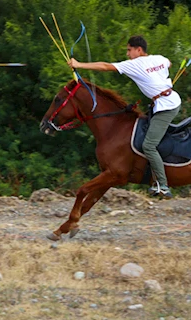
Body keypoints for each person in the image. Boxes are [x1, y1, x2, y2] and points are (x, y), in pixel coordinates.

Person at [68, 35, 181, 198]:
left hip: (167, 106)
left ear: (139, 50)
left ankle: (162, 185)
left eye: (129, 50)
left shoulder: (135, 64)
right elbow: (169, 62)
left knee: (149, 145)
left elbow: (106, 66)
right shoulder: (159, 59)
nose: (128, 54)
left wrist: (79, 64)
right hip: (167, 100)